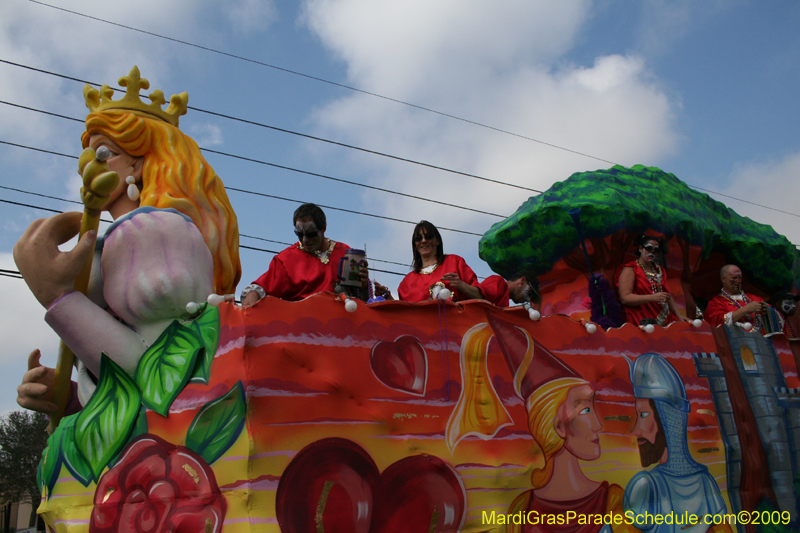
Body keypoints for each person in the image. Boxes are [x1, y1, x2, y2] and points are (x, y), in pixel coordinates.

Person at [16, 66, 240, 410]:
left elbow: (161, 378)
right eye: (86, 156)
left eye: (104, 152)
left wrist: (57, 297)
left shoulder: (154, 231)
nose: (88, 164)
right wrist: (72, 398)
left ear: (139, 163)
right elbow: (129, 386)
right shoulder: (126, 237)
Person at [486, 314, 632, 533]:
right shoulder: (520, 512)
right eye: (585, 409)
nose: (598, 425)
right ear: (559, 427)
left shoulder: (612, 502)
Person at [623, 353, 730, 533]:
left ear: (668, 419)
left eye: (643, 415)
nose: (635, 430)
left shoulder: (705, 482)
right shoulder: (647, 487)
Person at [239, 203, 368, 305]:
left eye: (311, 234)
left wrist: (363, 285)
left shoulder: (344, 252)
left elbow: (361, 300)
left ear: (323, 229)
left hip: (342, 330)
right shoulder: (286, 260)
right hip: (301, 332)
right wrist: (252, 297)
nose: (305, 240)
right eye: (300, 234)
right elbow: (261, 288)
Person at [389, 220, 482, 302]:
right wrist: (387, 297)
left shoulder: (454, 262)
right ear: (415, 245)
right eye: (418, 238)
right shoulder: (407, 282)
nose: (423, 241)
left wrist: (460, 284)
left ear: (438, 241)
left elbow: (480, 297)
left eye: (428, 237)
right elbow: (404, 315)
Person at [617, 235, 691, 327]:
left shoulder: (660, 270)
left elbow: (666, 296)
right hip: (642, 320)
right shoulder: (631, 269)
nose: (652, 252)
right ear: (640, 249)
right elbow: (625, 298)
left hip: (666, 319)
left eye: (656, 250)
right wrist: (653, 297)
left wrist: (679, 315)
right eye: (649, 248)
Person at [705, 265, 770, 334]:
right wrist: (746, 309)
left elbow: (777, 318)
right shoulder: (716, 302)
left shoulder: (754, 298)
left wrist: (768, 311)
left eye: (740, 278)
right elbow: (717, 323)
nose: (738, 281)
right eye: (734, 278)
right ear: (723, 279)